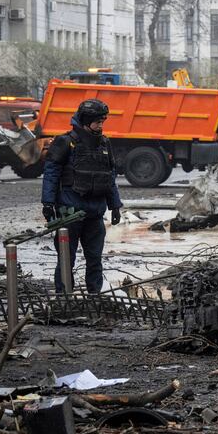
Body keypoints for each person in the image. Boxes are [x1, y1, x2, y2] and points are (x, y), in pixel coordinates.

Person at [41, 99, 123, 294]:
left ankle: (95, 296)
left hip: (94, 214)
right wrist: (48, 203)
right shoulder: (65, 142)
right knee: (66, 259)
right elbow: (51, 173)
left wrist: (115, 205)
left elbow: (109, 177)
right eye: (97, 122)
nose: (101, 126)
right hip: (69, 214)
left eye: (103, 121)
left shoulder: (104, 143)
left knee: (95, 259)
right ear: (86, 121)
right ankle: (64, 298)